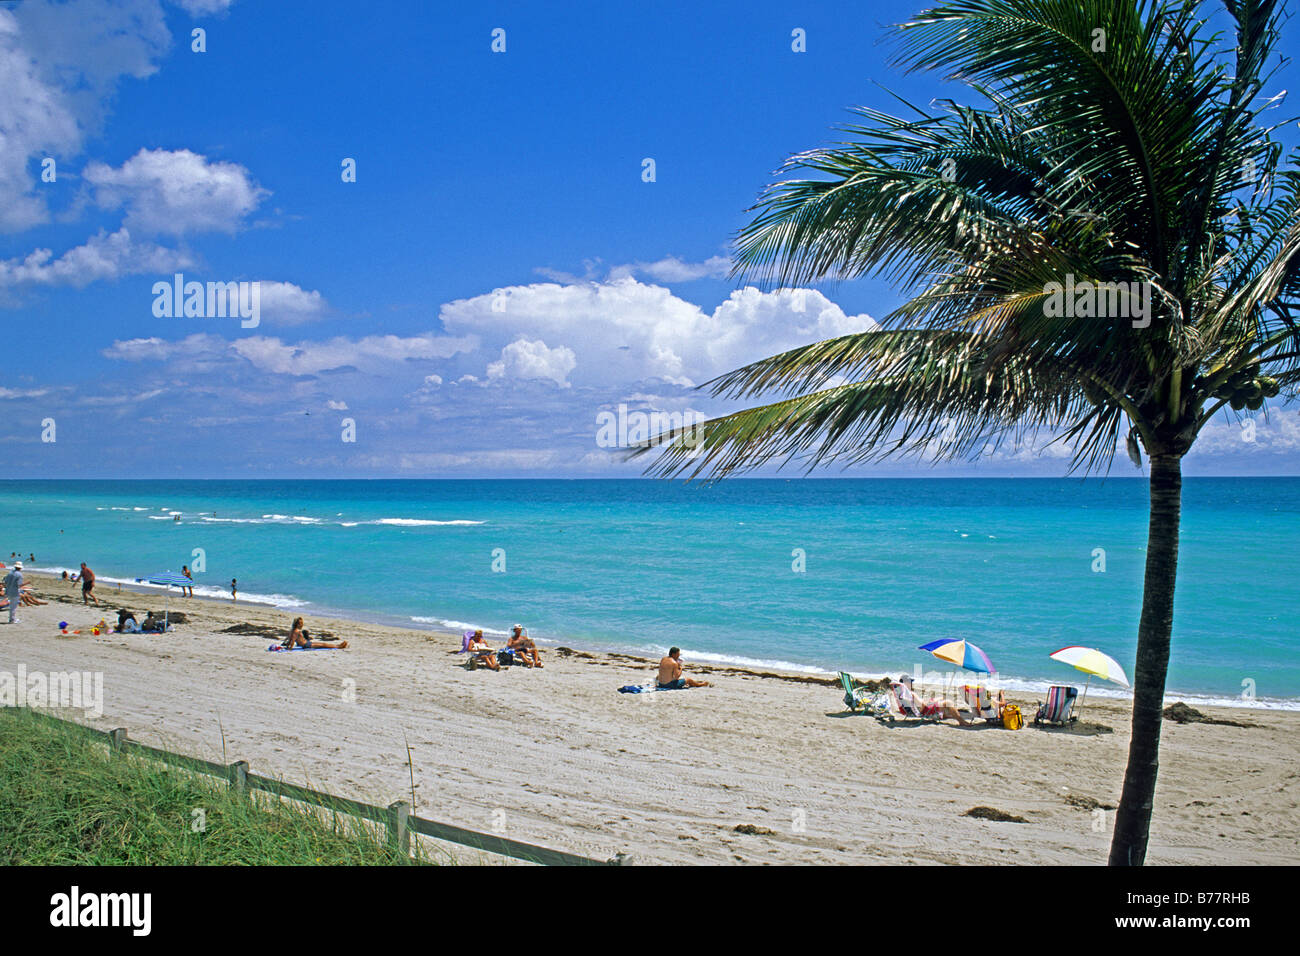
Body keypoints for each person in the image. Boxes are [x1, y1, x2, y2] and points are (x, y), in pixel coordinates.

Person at [893, 675, 969, 725]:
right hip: (925, 710)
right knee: (948, 702)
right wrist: (929, 703)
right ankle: (961, 721)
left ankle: (946, 715)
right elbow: (921, 708)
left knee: (942, 698)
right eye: (910, 682)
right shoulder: (911, 694)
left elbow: (915, 705)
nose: (912, 684)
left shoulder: (902, 693)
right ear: (906, 683)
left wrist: (929, 702)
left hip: (919, 708)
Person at [281, 616, 348, 650]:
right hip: (306, 645)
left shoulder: (292, 630)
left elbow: (289, 639)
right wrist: (290, 648)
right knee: (323, 645)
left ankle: (338, 646)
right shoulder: (296, 631)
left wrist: (287, 646)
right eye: (301, 624)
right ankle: (338, 646)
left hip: (306, 643)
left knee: (322, 644)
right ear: (297, 624)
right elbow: (292, 640)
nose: (302, 625)